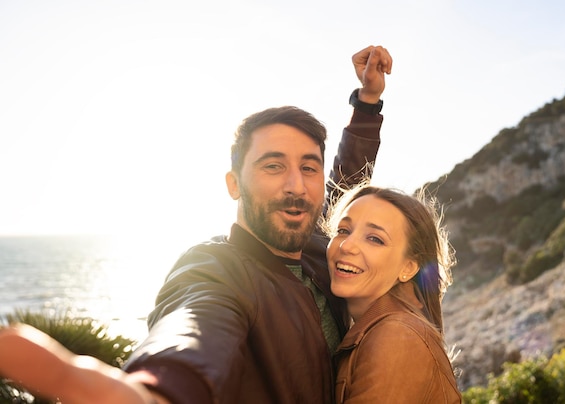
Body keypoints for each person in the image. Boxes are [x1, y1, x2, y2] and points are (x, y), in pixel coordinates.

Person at [0, 45, 393, 404]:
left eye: (309, 168)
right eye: (273, 166)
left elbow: (348, 183)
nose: (296, 185)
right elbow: (194, 328)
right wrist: (154, 392)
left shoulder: (316, 246)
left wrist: (368, 102)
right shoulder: (217, 269)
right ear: (234, 184)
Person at [324, 184, 462, 403]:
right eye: (343, 231)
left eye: (375, 239)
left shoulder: (396, 336)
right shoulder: (381, 329)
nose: (347, 246)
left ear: (408, 268)